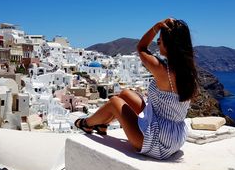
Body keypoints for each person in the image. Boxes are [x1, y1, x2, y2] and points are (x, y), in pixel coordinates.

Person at [75, 18, 198, 160]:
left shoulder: (162, 69)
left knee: (115, 101)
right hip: (175, 136)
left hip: (157, 142)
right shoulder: (189, 72)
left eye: (161, 39)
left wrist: (156, 26)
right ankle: (102, 125)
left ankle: (86, 124)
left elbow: (141, 47)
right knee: (125, 94)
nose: (158, 42)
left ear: (170, 43)